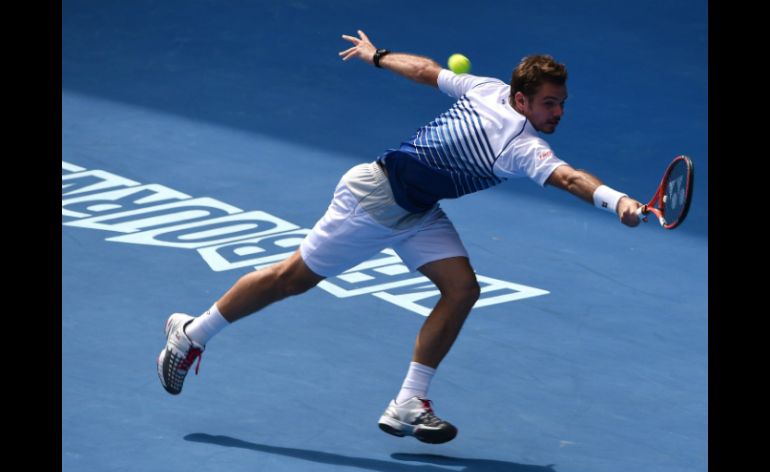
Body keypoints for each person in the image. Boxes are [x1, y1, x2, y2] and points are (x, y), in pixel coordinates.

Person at [157, 30, 642, 444]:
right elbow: (570, 178)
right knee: (292, 279)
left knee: (462, 290)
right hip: (372, 199)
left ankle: (408, 401)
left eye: (560, 103)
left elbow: (428, 71)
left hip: (417, 211)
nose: (558, 113)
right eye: (549, 104)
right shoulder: (522, 147)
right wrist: (616, 200)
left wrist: (379, 55)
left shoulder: (487, 88)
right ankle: (191, 334)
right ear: (521, 100)